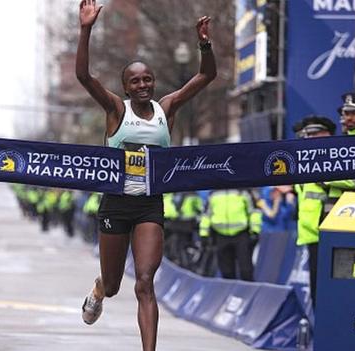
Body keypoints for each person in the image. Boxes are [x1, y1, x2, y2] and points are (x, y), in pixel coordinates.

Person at [75, 1, 216, 349]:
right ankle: (98, 288)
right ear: (125, 88)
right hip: (115, 204)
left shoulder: (165, 108)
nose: (143, 85)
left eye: (147, 79)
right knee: (113, 285)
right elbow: (83, 76)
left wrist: (204, 45)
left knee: (145, 282)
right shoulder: (115, 109)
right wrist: (86, 29)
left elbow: (205, 76)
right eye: (135, 81)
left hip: (149, 204)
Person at [292, 115, 336, 307]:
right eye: (306, 135)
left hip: (329, 234)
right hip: (312, 237)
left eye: (314, 134)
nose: (308, 139)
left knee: (327, 293)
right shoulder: (305, 165)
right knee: (317, 293)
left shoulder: (332, 160)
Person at [198, 189, 257, 281]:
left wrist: (255, 231)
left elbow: (254, 211)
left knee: (246, 269)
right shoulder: (213, 194)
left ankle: (247, 292)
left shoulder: (243, 191)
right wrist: (203, 234)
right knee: (226, 271)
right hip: (221, 235)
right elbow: (206, 215)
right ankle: (231, 293)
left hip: (241, 234)